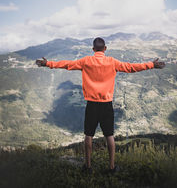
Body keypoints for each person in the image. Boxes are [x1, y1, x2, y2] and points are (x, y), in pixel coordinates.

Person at [36, 37, 165, 174]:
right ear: (105, 49)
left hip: (91, 105)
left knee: (88, 135)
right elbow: (131, 67)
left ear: (93, 49)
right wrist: (151, 65)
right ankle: (111, 167)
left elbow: (67, 64)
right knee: (109, 135)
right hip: (106, 105)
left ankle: (88, 167)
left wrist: (48, 63)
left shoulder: (86, 61)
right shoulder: (112, 62)